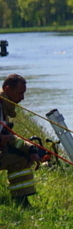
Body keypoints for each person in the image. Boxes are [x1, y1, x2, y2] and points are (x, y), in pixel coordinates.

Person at [0, 74, 41, 207]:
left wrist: (30, 149)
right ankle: (21, 203)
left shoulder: (3, 107)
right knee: (20, 159)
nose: (22, 98)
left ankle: (21, 201)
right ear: (7, 90)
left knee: (25, 154)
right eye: (20, 93)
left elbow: (9, 137)